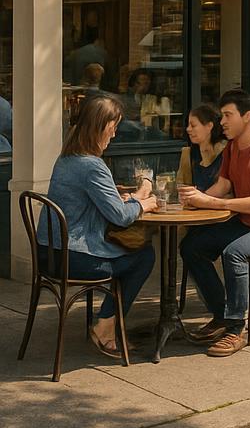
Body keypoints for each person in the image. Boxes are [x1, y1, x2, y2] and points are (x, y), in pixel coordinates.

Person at [36, 93, 158, 358]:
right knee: (144, 256)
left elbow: (103, 202)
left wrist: (132, 198)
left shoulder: (66, 158)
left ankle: (105, 320)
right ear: (99, 127)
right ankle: (104, 327)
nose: (113, 135)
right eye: (112, 128)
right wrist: (143, 203)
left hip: (48, 253)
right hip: (74, 257)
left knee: (135, 253)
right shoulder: (93, 165)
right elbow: (120, 217)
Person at [179, 90, 250, 358]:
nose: (222, 122)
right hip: (247, 223)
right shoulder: (233, 147)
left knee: (236, 252)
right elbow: (224, 185)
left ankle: (235, 328)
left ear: (247, 116)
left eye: (228, 115)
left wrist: (212, 204)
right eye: (222, 116)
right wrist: (196, 199)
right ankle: (221, 315)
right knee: (191, 246)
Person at [177, 103, 227, 192]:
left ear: (209, 126)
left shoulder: (227, 152)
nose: (188, 129)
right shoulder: (188, 154)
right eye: (188, 125)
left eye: (193, 125)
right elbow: (182, 187)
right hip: (196, 205)